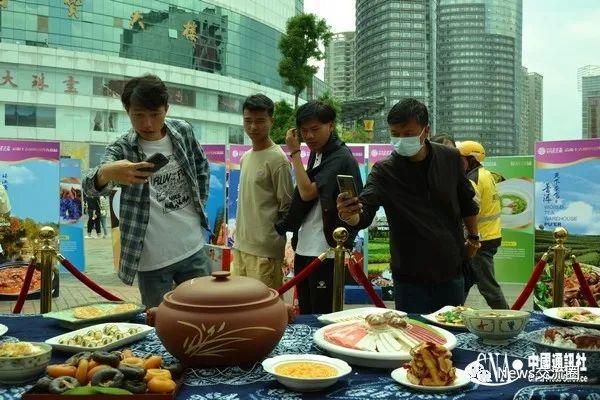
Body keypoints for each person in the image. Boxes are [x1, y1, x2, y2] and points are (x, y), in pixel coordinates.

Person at [337, 98, 480, 314]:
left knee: (451, 333)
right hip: (409, 276)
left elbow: (467, 202)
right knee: (413, 335)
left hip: (450, 268)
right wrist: (350, 214)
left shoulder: (449, 158)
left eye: (408, 134)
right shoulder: (384, 171)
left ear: (426, 131)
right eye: (395, 134)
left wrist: (474, 238)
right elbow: (365, 212)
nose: (401, 140)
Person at [82, 74, 211, 308]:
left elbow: (201, 166)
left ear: (166, 109)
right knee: (158, 325)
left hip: (192, 248)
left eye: (155, 114)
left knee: (204, 314)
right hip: (151, 261)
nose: (148, 124)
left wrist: (197, 206)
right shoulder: (121, 148)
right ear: (127, 110)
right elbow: (89, 187)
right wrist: (107, 173)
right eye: (138, 115)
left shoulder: (182, 131)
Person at [276, 100, 363, 314]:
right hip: (306, 244)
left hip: (326, 250)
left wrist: (295, 153)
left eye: (315, 129)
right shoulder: (317, 153)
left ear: (331, 126)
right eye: (304, 131)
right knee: (306, 311)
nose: (309, 136)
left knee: (321, 315)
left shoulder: (340, 157)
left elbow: (307, 192)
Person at [231, 94, 293, 289]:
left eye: (260, 121)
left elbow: (287, 206)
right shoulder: (246, 157)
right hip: (241, 247)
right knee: (240, 307)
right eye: (248, 121)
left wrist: (274, 242)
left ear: (271, 121)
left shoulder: (278, 160)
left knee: (263, 311)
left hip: (265, 252)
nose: (253, 127)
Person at [457, 140, 509, 309]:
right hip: (490, 235)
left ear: (471, 159)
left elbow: (469, 210)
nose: (457, 163)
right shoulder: (485, 174)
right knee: (464, 281)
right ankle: (452, 312)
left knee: (488, 288)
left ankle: (507, 320)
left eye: (460, 159)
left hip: (480, 240)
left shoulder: (473, 179)